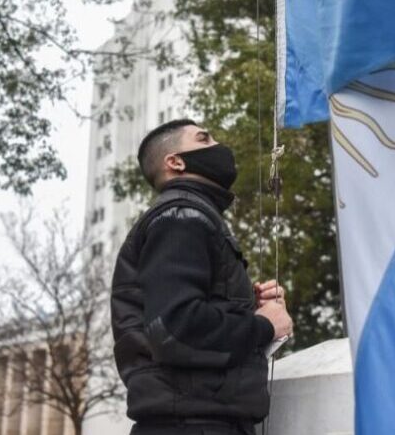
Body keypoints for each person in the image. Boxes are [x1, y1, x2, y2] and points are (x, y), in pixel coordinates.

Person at [111, 119, 294, 435]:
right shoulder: (181, 217)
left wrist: (251, 308)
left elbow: (178, 322)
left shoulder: (189, 216)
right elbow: (176, 327)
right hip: (191, 425)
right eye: (204, 139)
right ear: (175, 161)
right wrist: (264, 325)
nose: (219, 146)